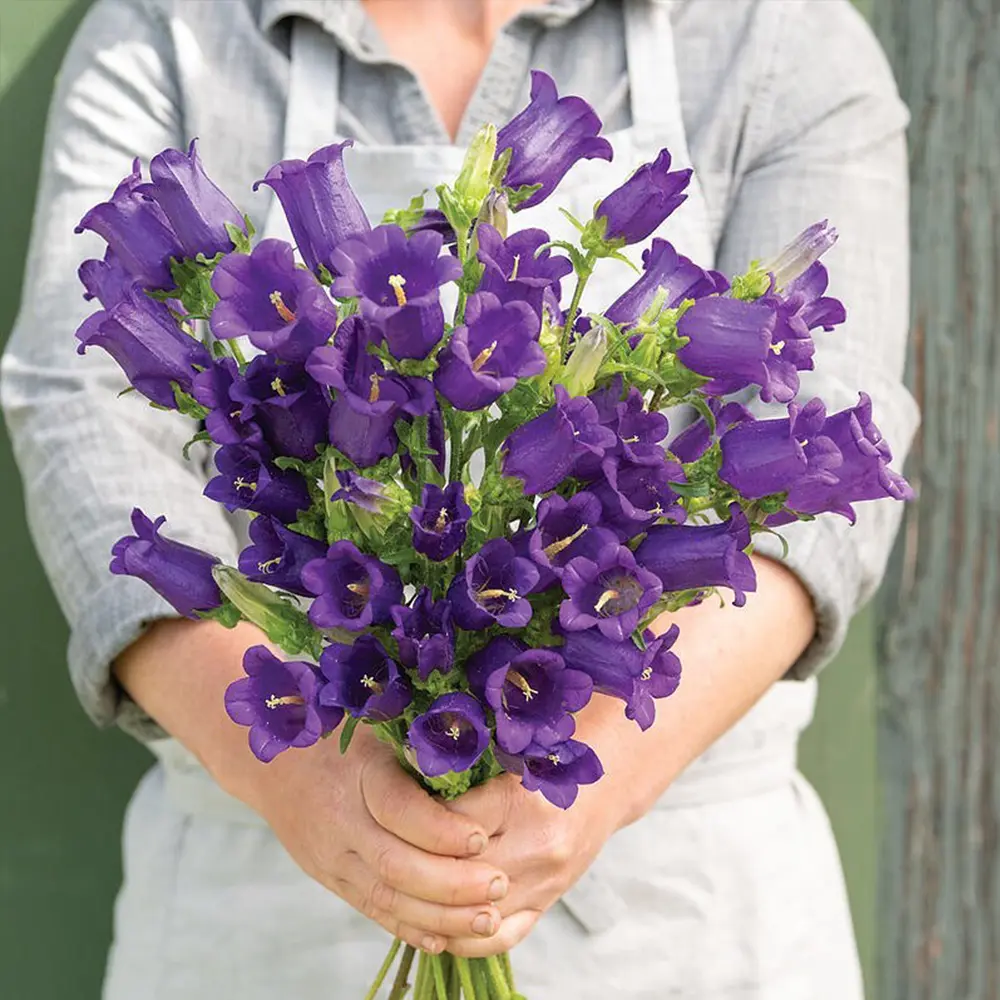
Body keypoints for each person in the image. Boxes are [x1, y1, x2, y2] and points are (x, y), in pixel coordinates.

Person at [1, 0, 919, 997]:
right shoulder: (169, 27)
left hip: (686, 909)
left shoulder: (776, 33)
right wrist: (296, 775)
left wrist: (592, 778)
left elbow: (836, 424)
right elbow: (75, 404)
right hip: (264, 889)